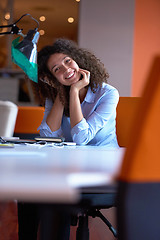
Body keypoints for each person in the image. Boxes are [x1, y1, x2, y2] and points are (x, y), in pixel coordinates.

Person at [18, 38, 119, 240]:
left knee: (55, 196)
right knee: (27, 191)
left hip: (103, 171)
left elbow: (82, 137)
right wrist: (60, 93)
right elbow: (48, 136)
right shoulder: (54, 96)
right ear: (52, 78)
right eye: (56, 69)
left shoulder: (107, 94)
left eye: (67, 61)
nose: (66, 69)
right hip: (71, 167)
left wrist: (73, 91)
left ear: (78, 60)